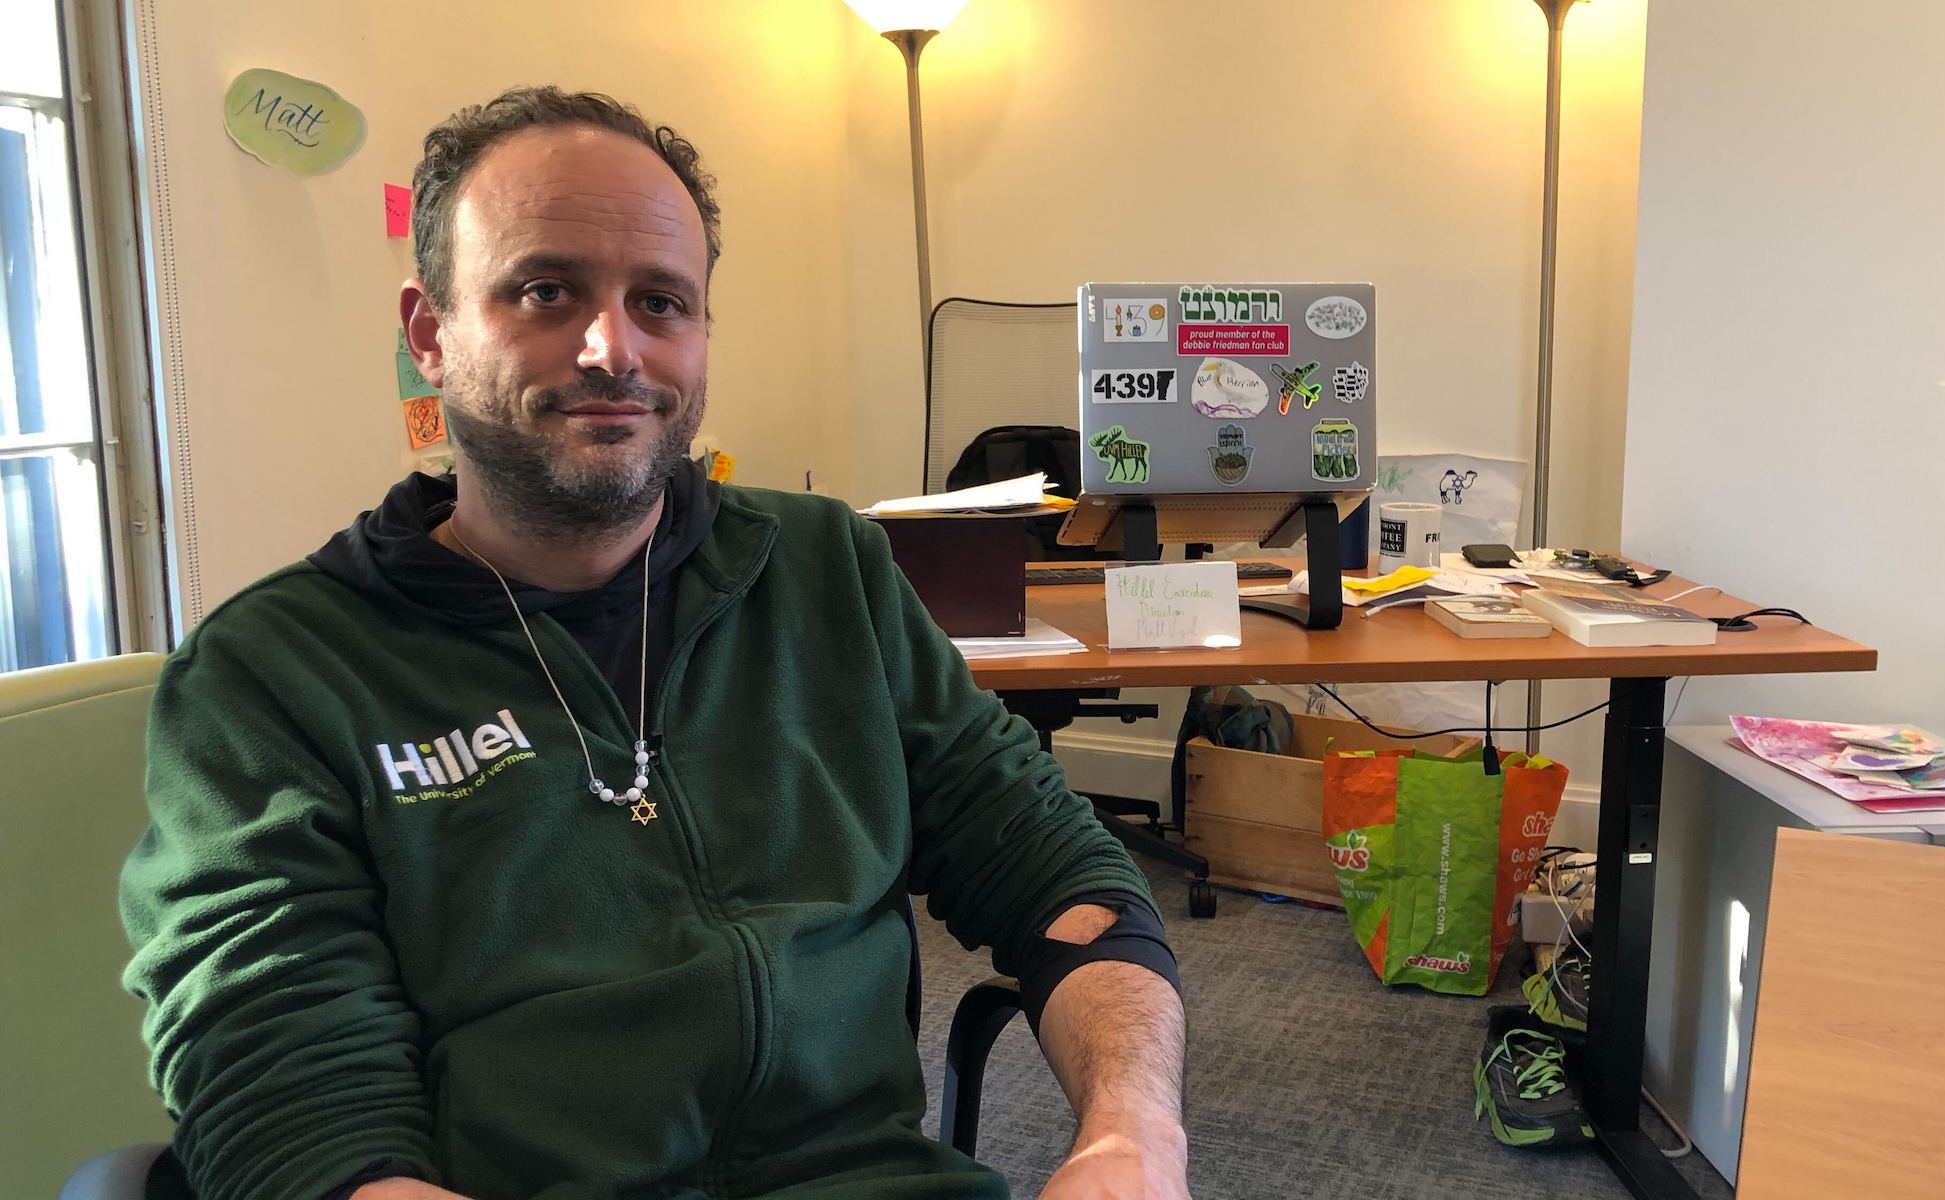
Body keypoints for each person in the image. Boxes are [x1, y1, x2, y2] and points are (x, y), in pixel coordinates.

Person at [118, 87, 1187, 1200]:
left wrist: (1133, 1138)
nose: (612, 349)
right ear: (429, 334)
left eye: (662, 302)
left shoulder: (824, 571)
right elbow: (287, 1082)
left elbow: (1055, 869)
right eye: (546, 290)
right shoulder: (273, 672)